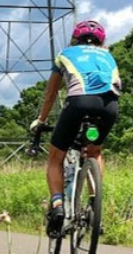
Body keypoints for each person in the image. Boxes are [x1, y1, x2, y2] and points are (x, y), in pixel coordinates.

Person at [30, 20, 121, 237]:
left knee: (55, 158)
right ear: (101, 41)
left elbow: (51, 92)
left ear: (75, 39)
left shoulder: (66, 54)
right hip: (109, 106)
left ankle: (57, 205)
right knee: (94, 150)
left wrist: (41, 120)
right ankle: (94, 203)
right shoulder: (108, 56)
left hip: (79, 102)